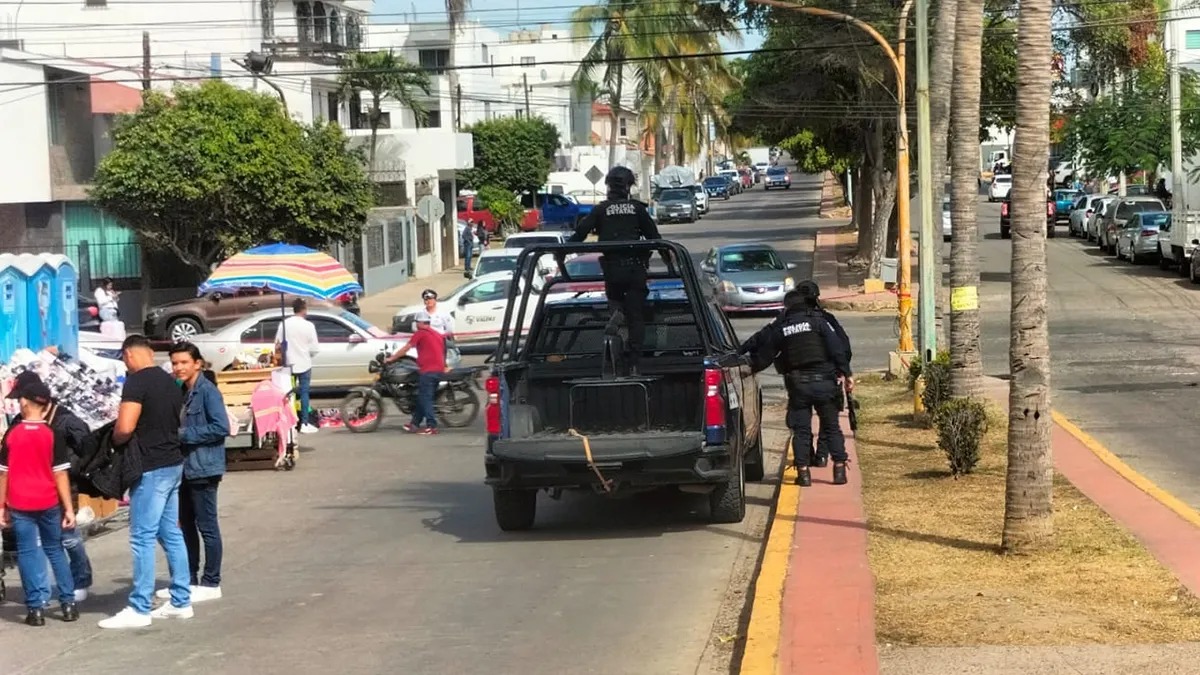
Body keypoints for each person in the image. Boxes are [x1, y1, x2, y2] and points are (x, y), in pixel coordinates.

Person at [99, 334, 192, 629]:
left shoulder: (137, 382)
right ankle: (181, 600)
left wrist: (113, 440)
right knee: (171, 533)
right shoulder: (169, 382)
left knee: (142, 536)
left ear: (128, 355)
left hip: (151, 466)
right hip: (173, 462)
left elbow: (125, 426)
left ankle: (139, 607)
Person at [741, 282, 853, 488]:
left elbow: (764, 351)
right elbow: (839, 348)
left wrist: (745, 363)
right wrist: (846, 373)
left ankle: (803, 474)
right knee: (831, 427)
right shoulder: (821, 321)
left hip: (798, 386)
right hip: (825, 382)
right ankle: (838, 469)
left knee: (801, 430)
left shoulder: (782, 326)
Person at [5, 371, 95, 601]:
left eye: (21, 399)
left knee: (69, 539)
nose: (19, 404)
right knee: (35, 546)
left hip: (63, 489)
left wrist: (65, 469)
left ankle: (80, 580)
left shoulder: (66, 420)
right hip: (29, 495)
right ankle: (40, 593)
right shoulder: (18, 424)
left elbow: (87, 449)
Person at [568, 165, 662, 374]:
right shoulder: (637, 209)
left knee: (616, 301)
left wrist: (562, 250)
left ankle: (616, 320)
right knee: (636, 316)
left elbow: (580, 233)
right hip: (635, 271)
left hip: (612, 271)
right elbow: (655, 238)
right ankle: (634, 360)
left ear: (609, 186)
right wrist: (665, 258)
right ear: (628, 186)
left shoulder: (601, 209)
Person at [0, 376, 78, 626]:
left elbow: (3, 473)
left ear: (24, 403)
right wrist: (68, 507)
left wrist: (1, 505)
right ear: (44, 406)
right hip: (49, 502)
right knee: (55, 550)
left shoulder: (12, 435)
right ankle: (68, 604)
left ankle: (35, 608)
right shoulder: (52, 433)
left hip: (20, 503)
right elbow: (61, 473)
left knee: (27, 552)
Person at [155, 343, 228, 605]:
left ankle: (211, 581)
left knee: (207, 526)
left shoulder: (208, 392)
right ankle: (189, 580)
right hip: (184, 469)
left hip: (204, 468)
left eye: (184, 362)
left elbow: (221, 427)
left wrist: (182, 435)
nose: (178, 368)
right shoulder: (183, 392)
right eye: (175, 363)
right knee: (185, 526)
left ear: (197, 363)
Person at [385, 312, 447, 435]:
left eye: (417, 322)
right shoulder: (437, 334)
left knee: (426, 398)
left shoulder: (420, 333)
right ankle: (414, 424)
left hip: (428, 371)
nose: (416, 324)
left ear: (420, 323)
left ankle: (431, 426)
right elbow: (443, 350)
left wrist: (392, 358)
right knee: (422, 397)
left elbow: (406, 348)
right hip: (438, 369)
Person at [274, 298, 320, 435]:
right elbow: (314, 349)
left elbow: (277, 343)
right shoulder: (309, 326)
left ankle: (290, 423)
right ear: (304, 309)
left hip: (287, 364)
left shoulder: (284, 324)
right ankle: (304, 423)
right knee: (304, 393)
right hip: (304, 363)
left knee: (288, 394)